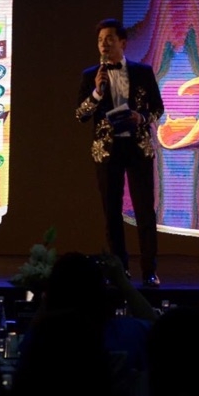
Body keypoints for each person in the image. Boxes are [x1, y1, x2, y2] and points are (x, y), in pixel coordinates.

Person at [75, 18, 165, 287]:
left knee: (144, 212)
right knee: (112, 213)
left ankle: (149, 270)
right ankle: (120, 270)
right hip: (107, 151)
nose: (104, 44)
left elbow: (158, 108)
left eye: (109, 39)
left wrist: (142, 117)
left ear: (122, 43)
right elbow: (81, 115)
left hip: (137, 148)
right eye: (100, 40)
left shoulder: (143, 72)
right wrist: (96, 92)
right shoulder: (91, 75)